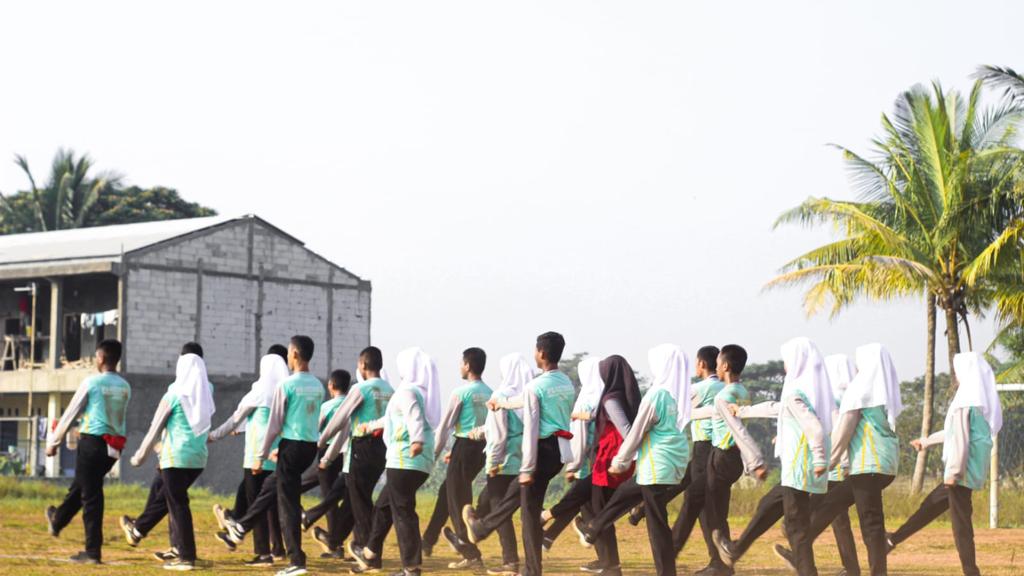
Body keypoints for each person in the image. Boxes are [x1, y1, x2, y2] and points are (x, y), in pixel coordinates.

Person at [775, 344, 902, 576]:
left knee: (870, 524)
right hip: (886, 464)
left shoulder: (860, 390)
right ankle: (800, 546)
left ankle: (874, 571)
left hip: (866, 465)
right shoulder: (884, 392)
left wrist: (828, 461)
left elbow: (844, 429)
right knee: (835, 504)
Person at [714, 337, 832, 576]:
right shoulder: (807, 393)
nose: (784, 366)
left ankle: (807, 571)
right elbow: (775, 408)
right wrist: (744, 411)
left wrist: (819, 459)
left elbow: (814, 428)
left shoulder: (796, 394)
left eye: (787, 360)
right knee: (769, 505)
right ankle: (735, 549)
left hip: (800, 468)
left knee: (796, 528)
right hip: (797, 469)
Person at [464, 331, 576, 576]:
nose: (534, 355)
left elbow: (532, 423)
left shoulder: (536, 386)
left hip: (542, 451)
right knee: (524, 506)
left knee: (523, 506)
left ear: (542, 353)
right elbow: (525, 401)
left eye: (536, 350)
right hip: (559, 453)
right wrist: (502, 404)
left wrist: (526, 467)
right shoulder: (565, 383)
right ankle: (523, 564)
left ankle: (485, 530)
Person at [886, 351, 1002, 576]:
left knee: (961, 527)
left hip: (960, 473)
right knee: (929, 508)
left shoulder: (964, 402)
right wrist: (926, 441)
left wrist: (954, 473)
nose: (956, 376)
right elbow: (954, 433)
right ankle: (892, 540)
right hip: (968, 471)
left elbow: (961, 441)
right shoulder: (975, 404)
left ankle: (971, 571)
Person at [222, 335, 325, 576]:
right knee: (270, 486)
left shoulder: (286, 386)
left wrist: (262, 453)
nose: (287, 358)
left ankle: (296, 561)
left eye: (289, 353)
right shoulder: (318, 385)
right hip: (308, 447)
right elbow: (308, 420)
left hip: (291, 446)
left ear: (296, 354)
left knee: (286, 504)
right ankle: (241, 526)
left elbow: (275, 425)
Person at [349, 347, 440, 576]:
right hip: (415, 462)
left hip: (404, 460)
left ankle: (411, 568)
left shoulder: (408, 391)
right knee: (383, 506)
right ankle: (370, 553)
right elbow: (392, 418)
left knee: (403, 512)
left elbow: (413, 417)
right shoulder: (416, 391)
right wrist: (370, 426)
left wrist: (416, 439)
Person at [44, 339, 131, 565]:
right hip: (113, 449)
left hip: (92, 443)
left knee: (91, 496)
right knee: (84, 485)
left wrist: (54, 441)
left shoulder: (92, 383)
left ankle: (92, 552)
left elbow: (71, 412)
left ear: (100, 358)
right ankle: (57, 520)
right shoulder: (125, 386)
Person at [607, 344, 692, 576]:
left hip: (656, 465)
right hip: (672, 463)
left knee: (657, 527)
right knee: (658, 523)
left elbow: (636, 432)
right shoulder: (675, 396)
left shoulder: (655, 396)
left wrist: (620, 462)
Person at [130, 351, 216, 571]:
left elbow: (155, 428)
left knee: (178, 505)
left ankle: (186, 557)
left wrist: (140, 456)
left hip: (175, 457)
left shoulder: (173, 394)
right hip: (198, 459)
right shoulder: (206, 391)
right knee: (170, 498)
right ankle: (151, 534)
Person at [204, 351, 290, 566]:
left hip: (256, 458)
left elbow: (235, 419)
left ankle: (262, 553)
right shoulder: (285, 393)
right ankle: (233, 524)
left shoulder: (259, 391)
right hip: (276, 456)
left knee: (255, 504)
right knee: (255, 499)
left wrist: (213, 436)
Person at [319, 347, 394, 557]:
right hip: (382, 450)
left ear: (362, 365)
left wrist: (322, 439)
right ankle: (335, 539)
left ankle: (369, 551)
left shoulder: (361, 389)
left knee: (360, 503)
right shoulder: (390, 390)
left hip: (362, 447)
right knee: (356, 498)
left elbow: (340, 418)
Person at [580, 355, 642, 576]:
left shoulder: (610, 399)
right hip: (619, 459)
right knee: (601, 510)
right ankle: (609, 562)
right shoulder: (629, 396)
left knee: (599, 510)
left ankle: (611, 564)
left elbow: (626, 430)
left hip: (610, 459)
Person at [433, 348, 493, 570]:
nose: (459, 366)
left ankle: (468, 549)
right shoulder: (490, 392)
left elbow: (445, 426)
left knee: (455, 500)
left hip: (464, 446)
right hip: (481, 449)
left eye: (461, 363)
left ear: (467, 366)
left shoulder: (461, 393)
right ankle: (469, 551)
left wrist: (434, 454)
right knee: (463, 494)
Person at [667, 345, 723, 573]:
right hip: (718, 448)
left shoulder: (700, 388)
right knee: (702, 503)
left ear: (701, 364)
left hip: (703, 448)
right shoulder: (725, 387)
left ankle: (669, 550)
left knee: (694, 500)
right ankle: (717, 560)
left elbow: (678, 407)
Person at [540, 357, 601, 552]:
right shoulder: (602, 396)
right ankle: (549, 537)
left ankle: (550, 528)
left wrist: (573, 465)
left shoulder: (587, 398)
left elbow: (580, 436)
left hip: (585, 461)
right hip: (597, 458)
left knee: (578, 500)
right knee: (580, 501)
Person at [301, 369, 356, 558]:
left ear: (330, 386)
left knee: (330, 498)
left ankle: (335, 545)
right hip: (346, 454)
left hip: (328, 453)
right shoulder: (352, 405)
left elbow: (316, 428)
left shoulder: (327, 406)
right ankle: (335, 542)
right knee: (336, 495)